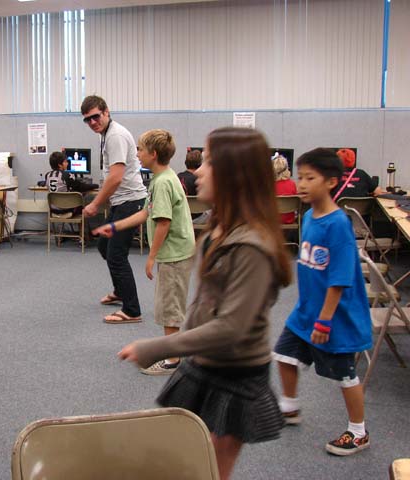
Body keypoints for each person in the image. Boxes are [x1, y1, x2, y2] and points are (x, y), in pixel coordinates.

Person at [118, 127, 292, 480]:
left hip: (237, 372)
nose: (197, 171)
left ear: (233, 175)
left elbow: (231, 328)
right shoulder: (220, 231)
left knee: (211, 466)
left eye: (208, 162)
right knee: (188, 454)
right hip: (207, 361)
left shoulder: (251, 247)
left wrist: (158, 347)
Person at [274, 148, 372, 456]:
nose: (301, 184)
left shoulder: (337, 224)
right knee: (284, 355)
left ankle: (358, 432)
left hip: (335, 318)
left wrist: (325, 320)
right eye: (300, 177)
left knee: (344, 374)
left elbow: (339, 279)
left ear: (331, 182)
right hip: (306, 312)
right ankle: (289, 407)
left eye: (310, 178)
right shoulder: (309, 217)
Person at [94, 129, 195, 375]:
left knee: (169, 307)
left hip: (174, 254)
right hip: (175, 252)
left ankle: (173, 360)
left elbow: (163, 222)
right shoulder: (162, 178)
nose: (136, 154)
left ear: (154, 154)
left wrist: (151, 257)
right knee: (168, 304)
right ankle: (173, 353)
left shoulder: (162, 182)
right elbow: (145, 213)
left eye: (140, 149)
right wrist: (115, 226)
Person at [80, 95, 148, 324]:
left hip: (130, 202)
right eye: (87, 120)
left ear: (106, 112)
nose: (92, 122)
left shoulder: (115, 136)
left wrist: (95, 204)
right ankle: (120, 291)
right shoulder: (106, 134)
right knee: (104, 246)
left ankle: (132, 310)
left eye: (95, 117)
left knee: (116, 256)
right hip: (121, 202)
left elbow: (116, 177)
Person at [273, 153, 298, 224]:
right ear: (287, 169)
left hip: (272, 221)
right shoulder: (292, 184)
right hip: (289, 220)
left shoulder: (269, 186)